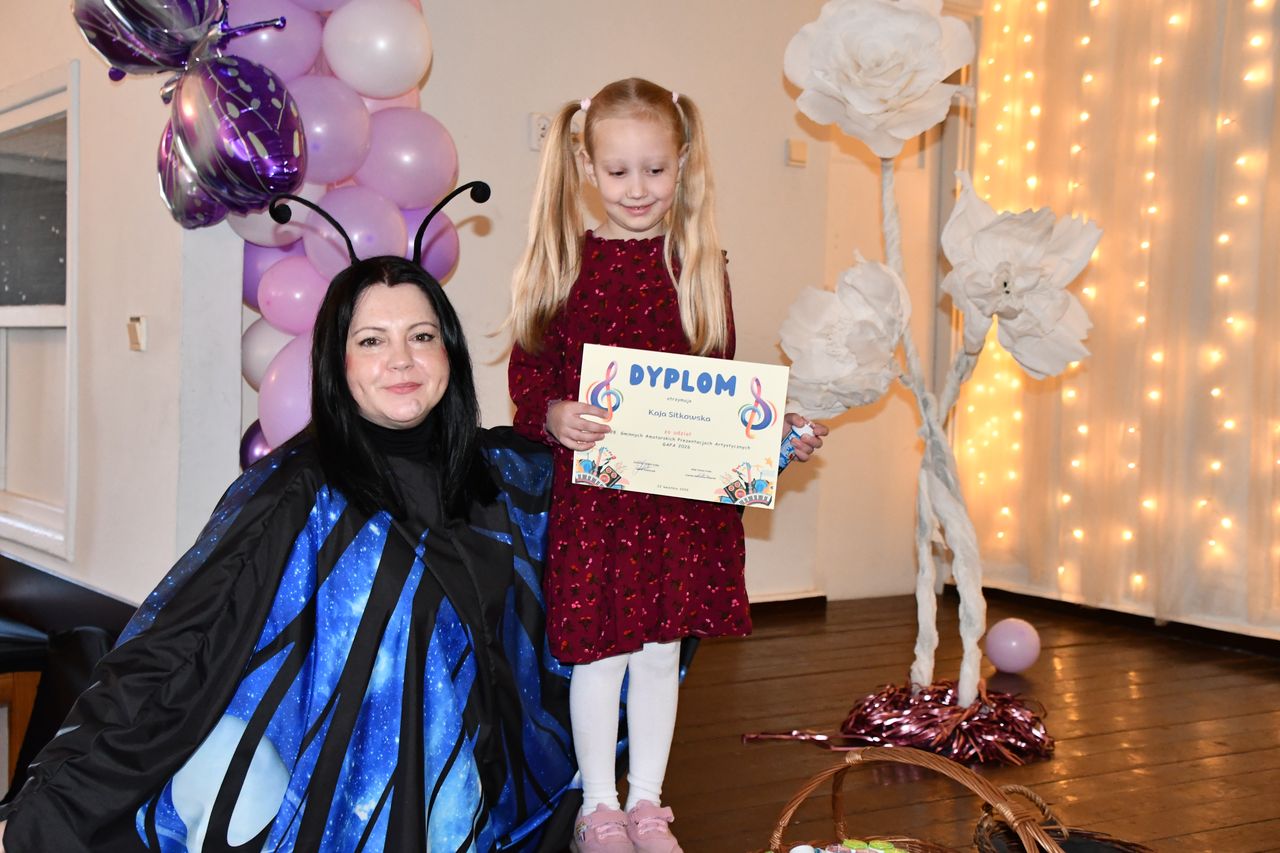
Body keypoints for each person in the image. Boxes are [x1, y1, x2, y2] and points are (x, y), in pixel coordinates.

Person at [0, 194, 581, 851]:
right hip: (341, 825)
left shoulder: (502, 476)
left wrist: (569, 417)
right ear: (337, 361)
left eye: (421, 336)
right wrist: (46, 811)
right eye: (371, 340)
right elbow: (179, 648)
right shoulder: (297, 493)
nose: (401, 359)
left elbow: (615, 519)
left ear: (449, 352)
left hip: (482, 817)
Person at [508, 78, 826, 853]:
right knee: (601, 655)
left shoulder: (699, 265)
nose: (637, 188)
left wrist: (771, 437)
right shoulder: (563, 264)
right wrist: (552, 414)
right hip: (599, 506)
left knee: (658, 654)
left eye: (654, 168)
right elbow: (529, 380)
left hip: (678, 509)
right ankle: (599, 807)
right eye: (618, 171)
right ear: (587, 166)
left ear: (682, 163)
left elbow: (719, 391)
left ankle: (648, 803)